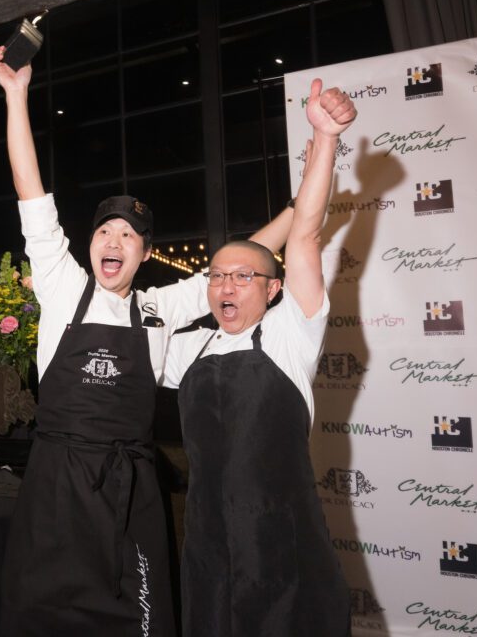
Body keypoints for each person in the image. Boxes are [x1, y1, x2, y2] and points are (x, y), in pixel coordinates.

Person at [0, 46, 293, 635]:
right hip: (56, 488)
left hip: (131, 494)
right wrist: (16, 95)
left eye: (128, 234)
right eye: (105, 229)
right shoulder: (61, 287)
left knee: (139, 622)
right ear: (90, 243)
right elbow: (31, 193)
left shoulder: (156, 313)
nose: (113, 239)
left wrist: (298, 212)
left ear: (145, 253)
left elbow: (238, 264)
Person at [162, 79, 357, 636]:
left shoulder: (290, 335)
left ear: (273, 290)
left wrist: (324, 139)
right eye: (217, 276)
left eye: (244, 276)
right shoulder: (187, 350)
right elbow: (121, 347)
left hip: (282, 544)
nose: (227, 285)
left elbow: (306, 236)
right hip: (206, 542)